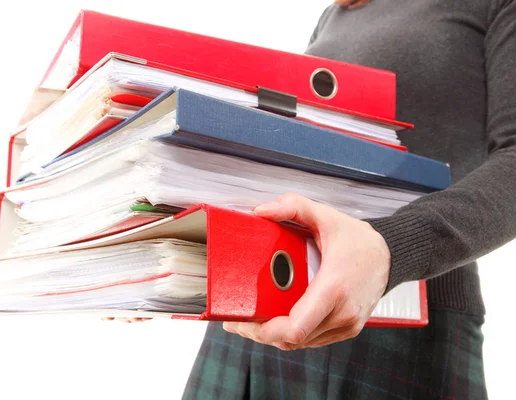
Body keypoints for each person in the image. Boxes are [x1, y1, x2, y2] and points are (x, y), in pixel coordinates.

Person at [180, 0, 516, 399]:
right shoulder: (334, 15)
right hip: (263, 300)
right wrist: (171, 251)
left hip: (405, 312)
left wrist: (390, 248)